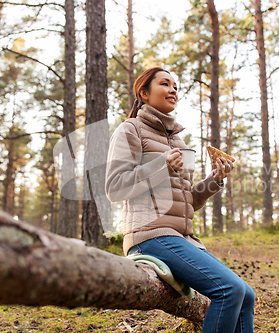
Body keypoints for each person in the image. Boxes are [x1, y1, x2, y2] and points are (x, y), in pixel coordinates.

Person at [105, 67, 255, 333]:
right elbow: (114, 188)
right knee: (228, 290)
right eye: (165, 84)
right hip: (149, 235)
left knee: (246, 296)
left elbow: (189, 201)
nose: (173, 90)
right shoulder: (131, 130)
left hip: (182, 239)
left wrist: (215, 179)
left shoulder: (179, 141)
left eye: (176, 86)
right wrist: (162, 165)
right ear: (144, 93)